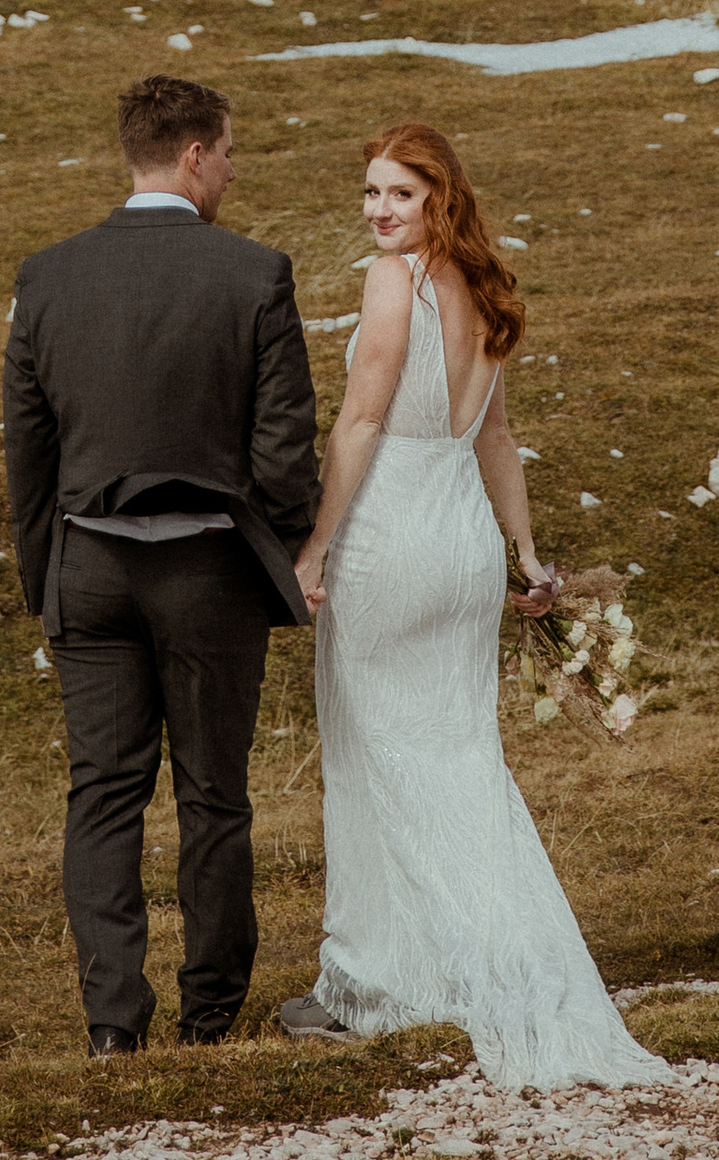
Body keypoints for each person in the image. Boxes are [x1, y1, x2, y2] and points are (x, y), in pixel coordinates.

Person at [281, 121, 666, 1089]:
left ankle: (375, 980)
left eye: (399, 194)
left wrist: (315, 546)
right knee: (456, 754)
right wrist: (522, 552)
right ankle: (431, 964)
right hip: (461, 545)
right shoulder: (484, 289)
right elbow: (495, 436)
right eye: (370, 192)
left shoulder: (394, 282)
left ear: (438, 199)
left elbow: (361, 420)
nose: (378, 211)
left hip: (393, 535)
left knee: (374, 751)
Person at [4, 72, 320, 1054]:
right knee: (213, 794)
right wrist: (287, 548)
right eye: (227, 153)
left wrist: (46, 580)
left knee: (102, 794)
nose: (231, 171)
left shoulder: (47, 276)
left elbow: (28, 445)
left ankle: (112, 1025)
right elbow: (283, 450)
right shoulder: (254, 273)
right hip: (209, 573)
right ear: (192, 155)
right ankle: (209, 1018)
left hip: (87, 569)